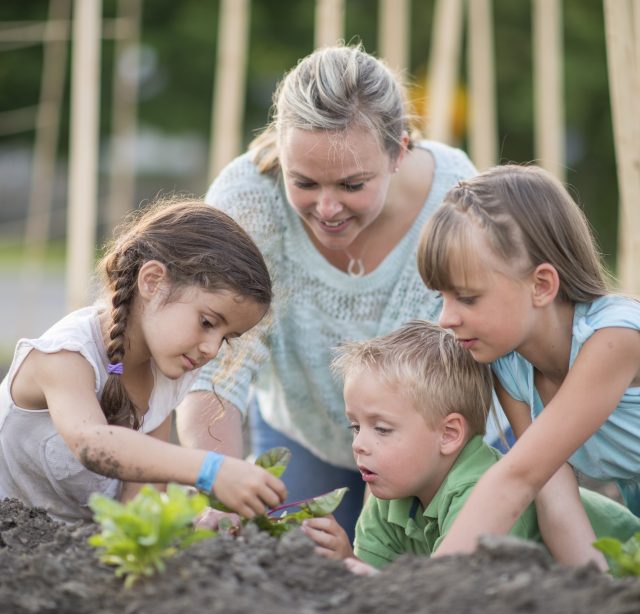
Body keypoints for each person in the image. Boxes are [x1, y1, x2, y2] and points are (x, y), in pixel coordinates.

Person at [177, 44, 480, 540]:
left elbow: (478, 365)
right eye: (305, 182)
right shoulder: (248, 202)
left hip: (431, 448)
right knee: (288, 563)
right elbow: (216, 364)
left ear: (398, 151)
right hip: (304, 433)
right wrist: (219, 482)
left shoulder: (456, 201)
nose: (327, 207)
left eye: (352, 184)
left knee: (422, 580)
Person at [0, 200, 287, 523]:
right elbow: (92, 444)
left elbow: (139, 499)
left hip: (73, 551)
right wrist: (210, 469)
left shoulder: (166, 374)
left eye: (226, 337)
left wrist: (198, 523)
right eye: (207, 322)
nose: (211, 348)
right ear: (152, 281)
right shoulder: (65, 357)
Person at [416, 163, 640, 567]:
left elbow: (515, 478)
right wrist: (598, 591)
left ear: (541, 285)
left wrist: (431, 582)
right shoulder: (510, 366)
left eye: (466, 298)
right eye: (441, 297)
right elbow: (552, 495)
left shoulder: (615, 339)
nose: (445, 318)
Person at [300, 320, 640, 574]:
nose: (359, 444)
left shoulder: (481, 494)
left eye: (382, 429)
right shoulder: (389, 496)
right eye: (355, 426)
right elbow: (382, 590)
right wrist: (345, 560)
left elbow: (458, 599)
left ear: (449, 434)